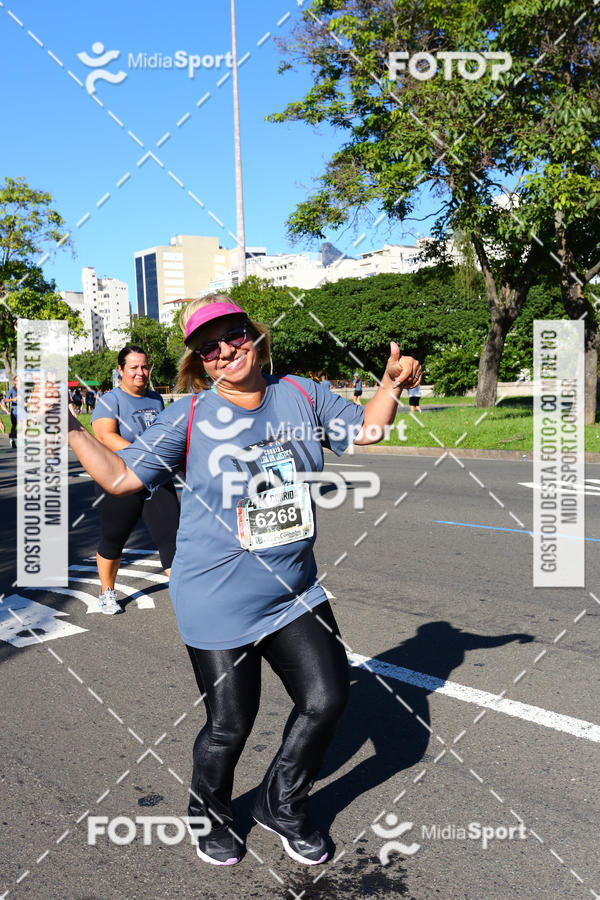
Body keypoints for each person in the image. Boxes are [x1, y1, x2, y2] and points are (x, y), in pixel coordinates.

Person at [64, 295, 422, 866]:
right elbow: (124, 477)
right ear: (200, 363)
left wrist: (390, 384)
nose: (223, 350)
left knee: (327, 700)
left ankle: (281, 804)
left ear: (252, 335)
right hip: (215, 594)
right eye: (207, 347)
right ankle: (208, 813)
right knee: (230, 724)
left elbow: (368, 431)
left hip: (293, 589)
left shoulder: (302, 394)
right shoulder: (189, 415)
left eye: (231, 335)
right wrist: (68, 422)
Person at [89, 345, 180, 615]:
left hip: (156, 478)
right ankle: (107, 592)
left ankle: (181, 593)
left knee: (171, 538)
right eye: (133, 368)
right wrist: (146, 455)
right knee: (113, 539)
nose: (140, 372)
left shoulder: (155, 399)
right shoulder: (110, 399)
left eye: (144, 366)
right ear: (120, 370)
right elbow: (104, 436)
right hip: (120, 480)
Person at [5, 375, 20, 448]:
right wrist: (12, 399)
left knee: (25, 423)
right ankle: (12, 439)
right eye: (17, 380)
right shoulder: (12, 389)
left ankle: (24, 439)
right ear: (14, 381)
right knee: (14, 425)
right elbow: (6, 400)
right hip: (14, 410)